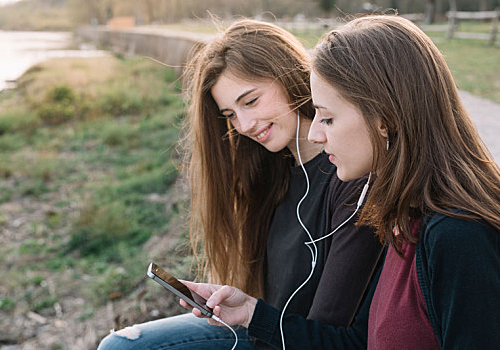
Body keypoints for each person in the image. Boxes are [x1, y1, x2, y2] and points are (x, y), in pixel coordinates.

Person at [181, 15, 500, 349]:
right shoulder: (402, 219)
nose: (316, 133)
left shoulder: (458, 236)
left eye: (328, 118)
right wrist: (250, 311)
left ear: (386, 119)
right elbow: (357, 342)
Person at [97, 19, 383, 349]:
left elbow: (332, 331)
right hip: (267, 331)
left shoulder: (351, 177)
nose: (244, 125)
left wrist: (252, 313)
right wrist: (242, 306)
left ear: (289, 75)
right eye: (230, 114)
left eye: (251, 101)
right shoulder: (272, 173)